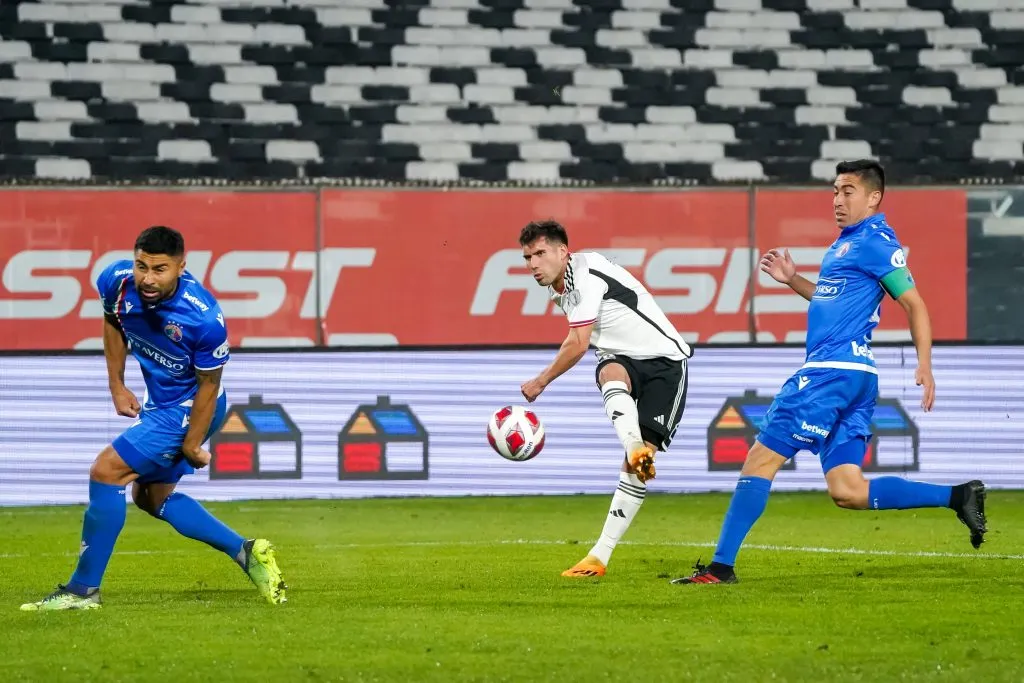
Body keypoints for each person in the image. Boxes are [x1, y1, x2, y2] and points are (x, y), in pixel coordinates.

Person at [672, 159, 987, 586]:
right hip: (857, 378)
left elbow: (914, 303)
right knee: (848, 490)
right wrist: (792, 279)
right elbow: (829, 298)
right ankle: (958, 495)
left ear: (873, 198)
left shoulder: (876, 242)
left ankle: (720, 568)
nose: (837, 200)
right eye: (835, 191)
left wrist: (925, 365)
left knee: (760, 458)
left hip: (829, 374)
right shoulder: (846, 243)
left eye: (848, 191)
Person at [21, 226, 287, 610]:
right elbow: (114, 323)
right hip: (161, 403)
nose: (147, 278)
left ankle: (82, 591)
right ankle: (247, 553)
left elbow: (209, 387)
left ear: (182, 267)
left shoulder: (204, 319)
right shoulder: (116, 281)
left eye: (159, 269)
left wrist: (193, 443)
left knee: (106, 471)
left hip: (191, 408)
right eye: (141, 265)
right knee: (151, 497)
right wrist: (117, 385)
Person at [518, 220, 694, 578]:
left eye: (540, 253)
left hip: (665, 364)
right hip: (623, 360)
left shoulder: (587, 273)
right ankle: (598, 559)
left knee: (634, 470)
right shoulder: (559, 290)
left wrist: (541, 381)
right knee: (608, 371)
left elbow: (578, 343)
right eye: (527, 257)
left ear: (562, 251)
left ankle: (633, 456)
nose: (532, 264)